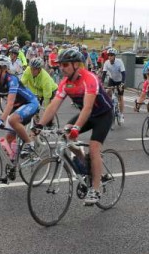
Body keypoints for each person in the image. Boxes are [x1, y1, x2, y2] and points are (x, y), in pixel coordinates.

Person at [34, 49, 113, 205]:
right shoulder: (65, 83)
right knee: (65, 133)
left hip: (103, 115)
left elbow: (87, 108)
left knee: (94, 147)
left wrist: (76, 128)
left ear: (76, 64)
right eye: (60, 65)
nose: (61, 68)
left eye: (65, 65)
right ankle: (85, 163)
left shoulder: (89, 79)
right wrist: (39, 125)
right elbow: (53, 106)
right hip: (88, 115)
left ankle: (95, 190)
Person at [101, 48, 126, 124]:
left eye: (111, 55)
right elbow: (104, 74)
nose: (110, 57)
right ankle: (110, 107)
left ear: (114, 56)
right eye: (108, 55)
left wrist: (122, 83)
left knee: (120, 97)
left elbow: (124, 73)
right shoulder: (106, 63)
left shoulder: (119, 62)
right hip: (112, 80)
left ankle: (121, 115)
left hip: (120, 81)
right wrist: (101, 83)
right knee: (108, 91)